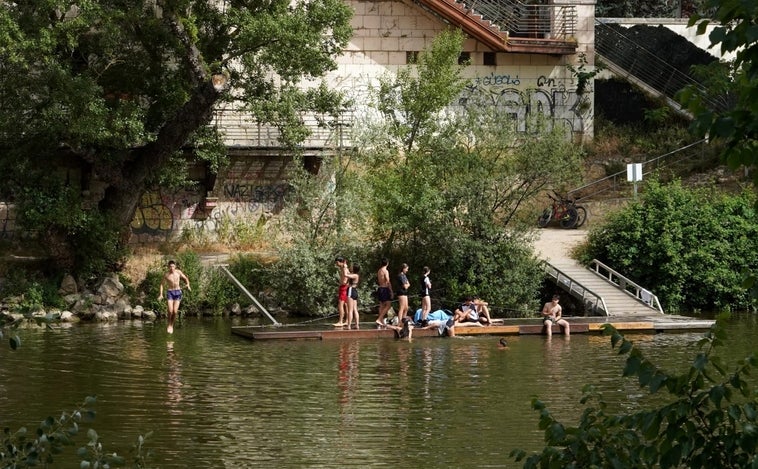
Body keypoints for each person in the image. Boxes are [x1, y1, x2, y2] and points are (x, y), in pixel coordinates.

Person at [158, 260, 191, 334]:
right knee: (170, 311)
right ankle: (169, 324)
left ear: (175, 266)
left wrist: (188, 285)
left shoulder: (178, 272)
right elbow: (162, 285)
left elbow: (186, 278)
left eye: (173, 266)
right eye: (170, 266)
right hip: (170, 292)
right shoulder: (166, 275)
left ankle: (171, 325)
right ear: (168, 267)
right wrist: (161, 294)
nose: (171, 268)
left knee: (175, 311)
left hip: (178, 292)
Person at [376, 258, 393, 326]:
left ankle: (381, 321)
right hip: (384, 289)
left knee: (381, 305)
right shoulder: (385, 271)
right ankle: (379, 319)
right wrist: (391, 291)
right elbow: (388, 281)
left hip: (380, 288)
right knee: (388, 305)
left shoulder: (379, 270)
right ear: (387, 263)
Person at [334, 257, 350, 327]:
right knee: (345, 305)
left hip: (344, 288)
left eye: (337, 262)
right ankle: (346, 321)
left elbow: (347, 277)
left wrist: (343, 283)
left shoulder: (344, 269)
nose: (336, 264)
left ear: (341, 262)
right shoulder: (344, 268)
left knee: (340, 304)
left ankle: (340, 321)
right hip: (344, 287)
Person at [346, 263, 361, 329]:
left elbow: (346, 275)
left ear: (354, 268)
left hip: (351, 290)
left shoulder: (355, 275)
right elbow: (348, 273)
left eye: (352, 267)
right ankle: (357, 325)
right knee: (355, 309)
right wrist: (345, 267)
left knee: (350, 310)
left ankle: (349, 325)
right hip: (354, 291)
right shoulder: (355, 275)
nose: (350, 267)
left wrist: (345, 268)